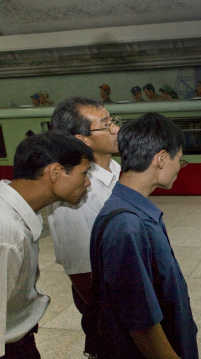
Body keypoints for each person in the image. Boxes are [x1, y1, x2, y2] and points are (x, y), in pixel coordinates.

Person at [90, 113, 198, 359]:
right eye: (178, 159)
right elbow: (141, 323)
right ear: (161, 158)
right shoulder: (127, 225)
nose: (179, 168)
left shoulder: (132, 212)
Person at [0, 132, 93, 358]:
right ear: (55, 173)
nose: (88, 182)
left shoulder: (16, 212)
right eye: (84, 173)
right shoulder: (8, 233)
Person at [47, 97, 121, 358]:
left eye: (113, 121)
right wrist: (109, 317)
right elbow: (81, 274)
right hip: (105, 303)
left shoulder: (118, 170)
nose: (116, 129)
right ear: (82, 139)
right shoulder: (74, 193)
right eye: (106, 125)